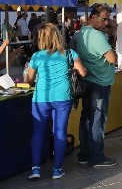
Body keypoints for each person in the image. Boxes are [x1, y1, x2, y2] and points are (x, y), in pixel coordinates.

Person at [26, 24, 87, 180]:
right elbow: (83, 73)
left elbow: (29, 79)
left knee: (38, 132)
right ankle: (57, 170)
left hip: (41, 98)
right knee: (59, 132)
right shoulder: (69, 54)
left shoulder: (37, 56)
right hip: (63, 97)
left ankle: (36, 169)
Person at [74, 3, 118, 167]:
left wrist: (107, 21)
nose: (106, 23)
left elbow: (114, 26)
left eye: (107, 19)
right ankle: (96, 156)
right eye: (103, 19)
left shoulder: (83, 32)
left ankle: (84, 154)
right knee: (97, 120)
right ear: (92, 18)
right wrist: (112, 51)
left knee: (86, 118)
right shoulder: (97, 36)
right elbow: (112, 58)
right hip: (100, 82)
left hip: (88, 81)